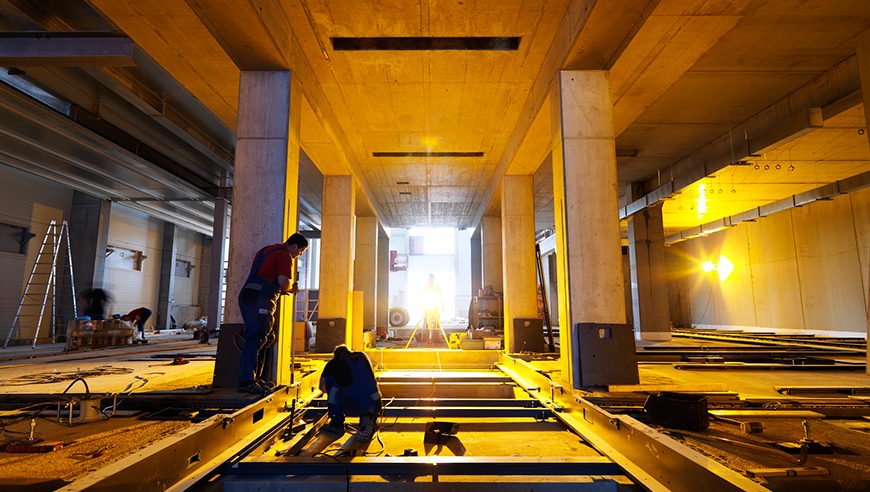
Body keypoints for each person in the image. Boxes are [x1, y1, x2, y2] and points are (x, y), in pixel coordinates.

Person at [237, 233, 308, 394]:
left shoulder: (266, 250)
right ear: (295, 246)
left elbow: (265, 275)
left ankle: (255, 378)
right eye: (300, 251)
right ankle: (247, 381)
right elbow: (283, 282)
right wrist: (292, 288)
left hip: (249, 294)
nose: (298, 255)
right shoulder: (285, 255)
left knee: (263, 336)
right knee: (255, 337)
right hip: (260, 299)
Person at [318, 344, 382, 442]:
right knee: (364, 383)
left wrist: (336, 392)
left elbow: (322, 387)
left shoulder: (334, 363)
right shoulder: (362, 356)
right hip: (374, 401)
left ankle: (337, 422)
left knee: (331, 381)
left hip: (352, 403)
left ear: (336, 355)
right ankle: (369, 416)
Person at [419, 274, 444, 344]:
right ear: (429, 278)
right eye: (430, 278)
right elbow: (421, 294)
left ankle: (436, 338)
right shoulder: (426, 286)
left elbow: (440, 296)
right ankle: (427, 338)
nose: (431, 279)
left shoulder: (437, 286)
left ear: (434, 278)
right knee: (427, 322)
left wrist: (443, 305)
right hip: (427, 307)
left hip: (435, 307)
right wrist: (420, 303)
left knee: (437, 323)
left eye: (432, 278)